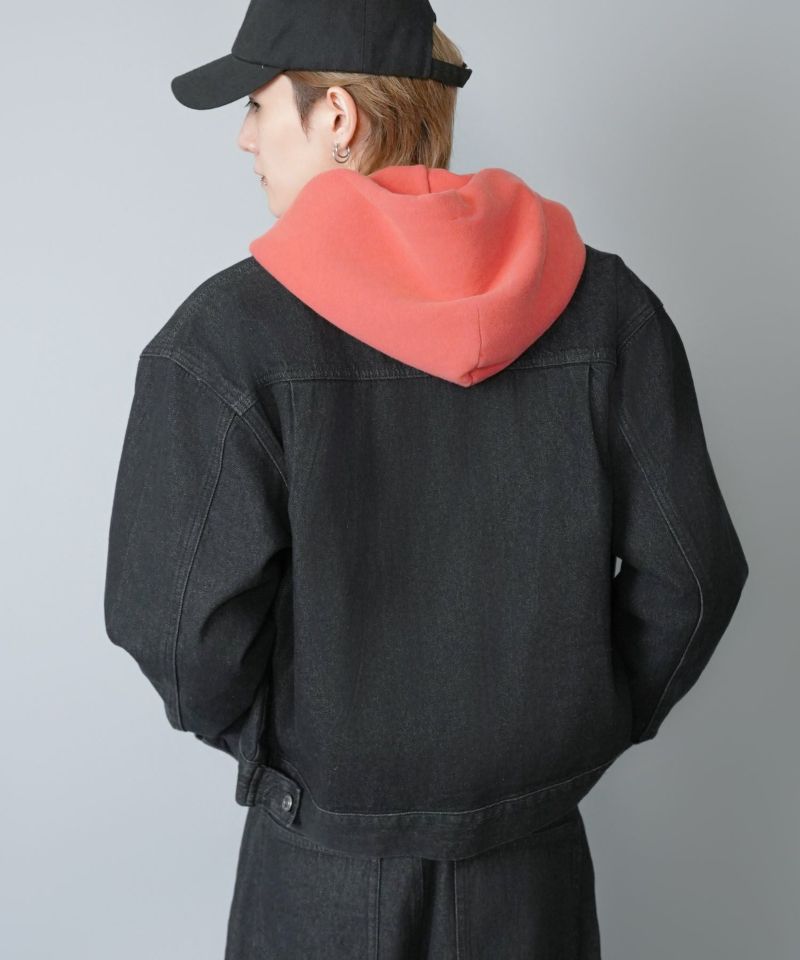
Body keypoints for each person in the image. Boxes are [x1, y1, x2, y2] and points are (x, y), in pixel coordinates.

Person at [102, 1, 750, 957]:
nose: (244, 136)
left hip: (321, 873)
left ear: (335, 116)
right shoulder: (610, 309)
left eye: (257, 103)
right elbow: (693, 580)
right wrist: (576, 725)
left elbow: (177, 633)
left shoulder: (226, 339)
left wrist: (295, 754)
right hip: (534, 870)